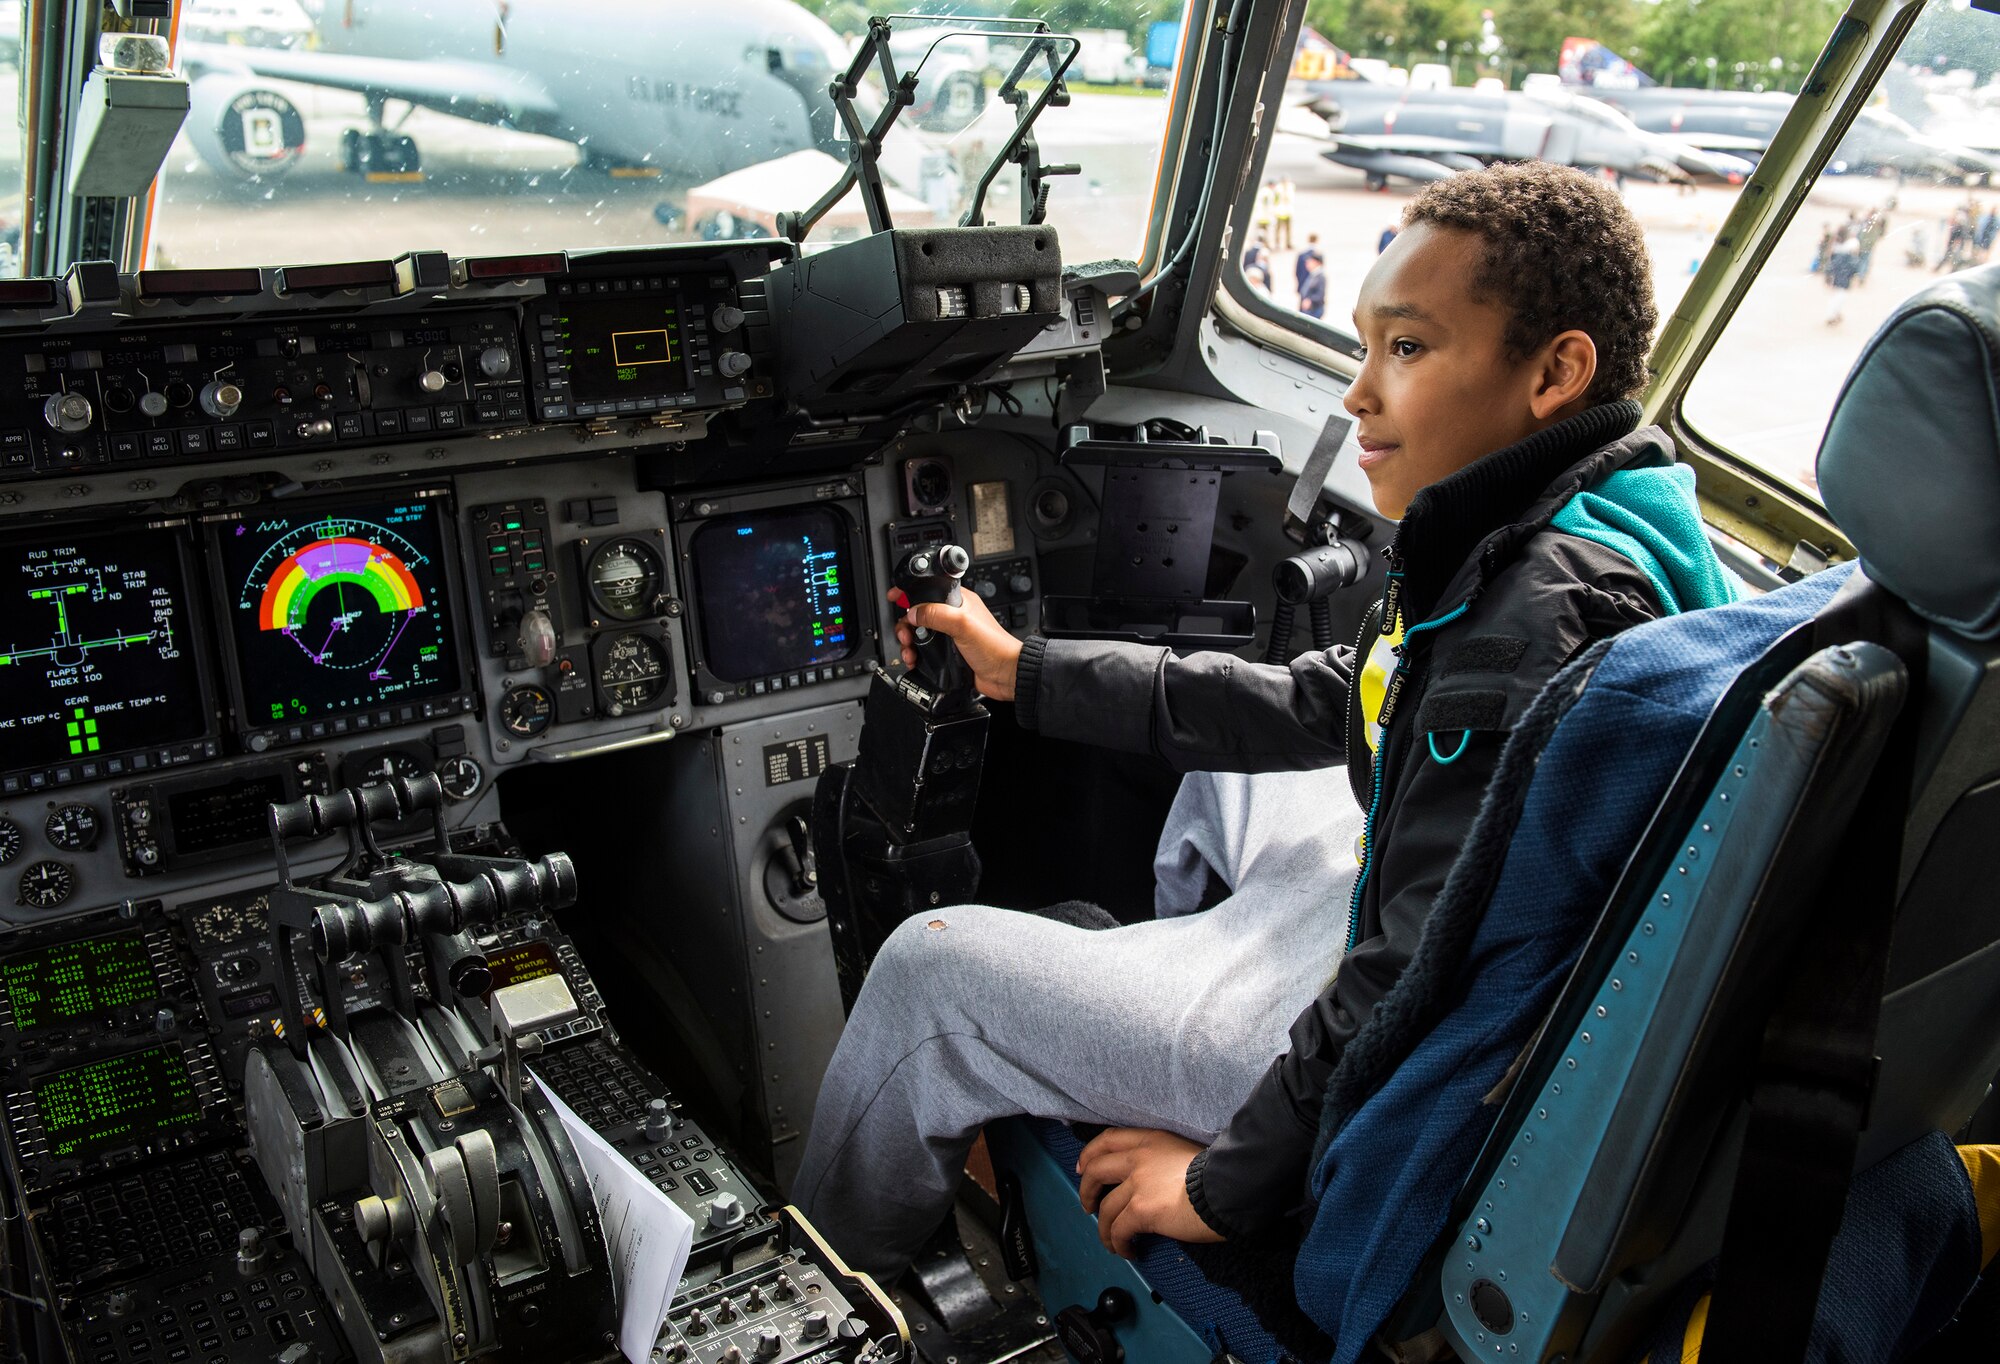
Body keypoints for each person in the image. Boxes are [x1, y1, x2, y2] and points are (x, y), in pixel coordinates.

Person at [793, 163, 1739, 1278]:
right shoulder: (1598, 517)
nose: (1354, 394)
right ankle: (1132, 1010)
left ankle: (832, 1286)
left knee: (926, 970)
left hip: (1385, 1041)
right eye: (1362, 343)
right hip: (1413, 938)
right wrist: (1024, 670)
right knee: (1237, 760)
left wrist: (1223, 1177)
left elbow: (1409, 976)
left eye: (1405, 348)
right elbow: (1327, 700)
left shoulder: (1523, 628)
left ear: (1554, 372)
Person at [1825, 227, 1860, 323]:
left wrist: (1828, 277)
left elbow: (1830, 266)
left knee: (1836, 296)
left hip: (1837, 277)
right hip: (1844, 279)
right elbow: (1854, 268)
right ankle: (1832, 315)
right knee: (1840, 297)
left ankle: (1833, 314)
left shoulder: (1836, 251)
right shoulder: (1849, 255)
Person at [1297, 252, 1327, 319]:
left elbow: (1320, 295)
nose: (1307, 264)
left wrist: (1310, 300)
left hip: (1313, 310)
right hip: (1307, 309)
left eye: (1310, 261)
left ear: (1316, 262)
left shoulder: (1320, 276)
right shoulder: (1312, 274)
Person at [1273, 177, 1296, 250]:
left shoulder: (1290, 187)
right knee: (1278, 229)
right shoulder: (1278, 189)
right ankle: (1277, 243)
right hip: (1280, 211)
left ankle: (1288, 243)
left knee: (1288, 230)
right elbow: (1275, 200)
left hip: (1288, 211)